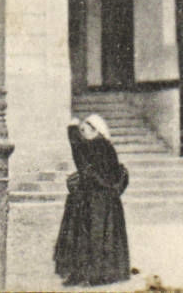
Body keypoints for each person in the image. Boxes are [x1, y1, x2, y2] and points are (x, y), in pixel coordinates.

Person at [52, 115, 131, 287]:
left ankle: (94, 275)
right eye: (81, 131)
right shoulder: (100, 145)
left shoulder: (100, 145)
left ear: (96, 131)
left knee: (93, 236)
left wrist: (72, 129)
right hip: (93, 198)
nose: (83, 134)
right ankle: (82, 273)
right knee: (83, 235)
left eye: (85, 130)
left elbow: (81, 158)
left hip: (99, 200)